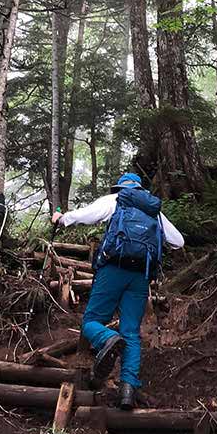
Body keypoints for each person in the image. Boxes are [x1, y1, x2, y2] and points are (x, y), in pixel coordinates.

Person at [51, 170, 184, 409]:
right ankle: (127, 392)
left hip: (113, 269)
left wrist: (61, 218)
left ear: (121, 188)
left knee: (91, 320)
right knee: (131, 332)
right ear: (140, 190)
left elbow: (86, 215)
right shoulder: (153, 210)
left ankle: (109, 338)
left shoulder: (115, 200)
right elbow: (178, 241)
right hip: (140, 276)